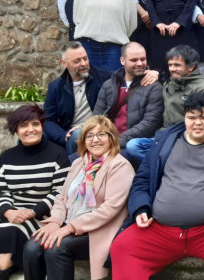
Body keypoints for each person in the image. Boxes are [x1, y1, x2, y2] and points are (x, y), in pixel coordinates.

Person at [109, 92, 204, 280]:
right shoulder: (165, 141)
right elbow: (142, 180)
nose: (197, 123)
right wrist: (140, 207)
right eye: (192, 117)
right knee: (123, 246)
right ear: (185, 118)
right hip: (159, 229)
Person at [23, 116, 134, 280]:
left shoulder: (119, 166)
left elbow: (109, 209)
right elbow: (62, 197)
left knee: (56, 248)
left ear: (112, 138)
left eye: (101, 135)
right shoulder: (78, 163)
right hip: (69, 221)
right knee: (31, 248)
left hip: (98, 229)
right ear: (84, 141)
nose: (95, 140)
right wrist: (55, 221)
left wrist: (69, 228)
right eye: (89, 136)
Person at [0, 105, 69, 280]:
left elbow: (60, 193)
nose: (31, 129)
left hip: (39, 215)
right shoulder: (6, 157)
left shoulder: (58, 155)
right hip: (8, 210)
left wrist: (32, 211)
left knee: (3, 260)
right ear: (16, 130)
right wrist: (8, 211)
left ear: (42, 126)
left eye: (35, 124)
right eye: (24, 125)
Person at [124, 44, 204, 163]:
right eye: (170, 65)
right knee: (133, 146)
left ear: (191, 67)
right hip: (165, 135)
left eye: (177, 65)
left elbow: (203, 122)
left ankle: (164, 164)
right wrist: (155, 73)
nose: (172, 69)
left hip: (187, 138)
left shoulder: (202, 89)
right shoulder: (169, 83)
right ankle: (164, 164)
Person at [92, 42, 164, 154]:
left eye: (143, 59)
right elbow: (97, 116)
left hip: (131, 143)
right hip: (106, 139)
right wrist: (98, 138)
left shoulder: (154, 87)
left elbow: (150, 123)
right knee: (76, 154)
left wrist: (117, 141)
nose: (140, 63)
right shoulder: (109, 85)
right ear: (122, 61)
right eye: (134, 60)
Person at [44, 42, 110, 155]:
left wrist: (149, 72)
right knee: (29, 138)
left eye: (85, 58)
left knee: (77, 135)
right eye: (77, 61)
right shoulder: (55, 87)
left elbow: (128, 75)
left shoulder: (104, 78)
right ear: (64, 63)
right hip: (67, 132)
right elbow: (48, 120)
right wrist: (63, 135)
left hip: (96, 129)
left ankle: (72, 170)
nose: (83, 63)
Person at [72, 0, 137, 73]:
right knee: (86, 82)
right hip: (87, 46)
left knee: (112, 84)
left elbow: (131, 24)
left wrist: (114, 34)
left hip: (113, 49)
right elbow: (76, 18)